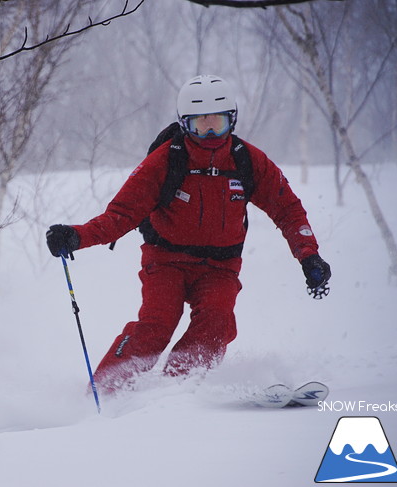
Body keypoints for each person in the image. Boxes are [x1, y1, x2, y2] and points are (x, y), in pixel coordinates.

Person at [45, 74, 331, 395]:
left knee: (216, 323)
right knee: (156, 326)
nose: (209, 133)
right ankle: (104, 391)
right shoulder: (166, 160)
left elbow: (287, 209)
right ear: (184, 124)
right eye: (200, 124)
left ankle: (176, 391)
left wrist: (309, 254)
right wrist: (77, 236)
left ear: (232, 120)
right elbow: (121, 214)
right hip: (166, 261)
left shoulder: (246, 160)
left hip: (220, 268)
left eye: (218, 123)